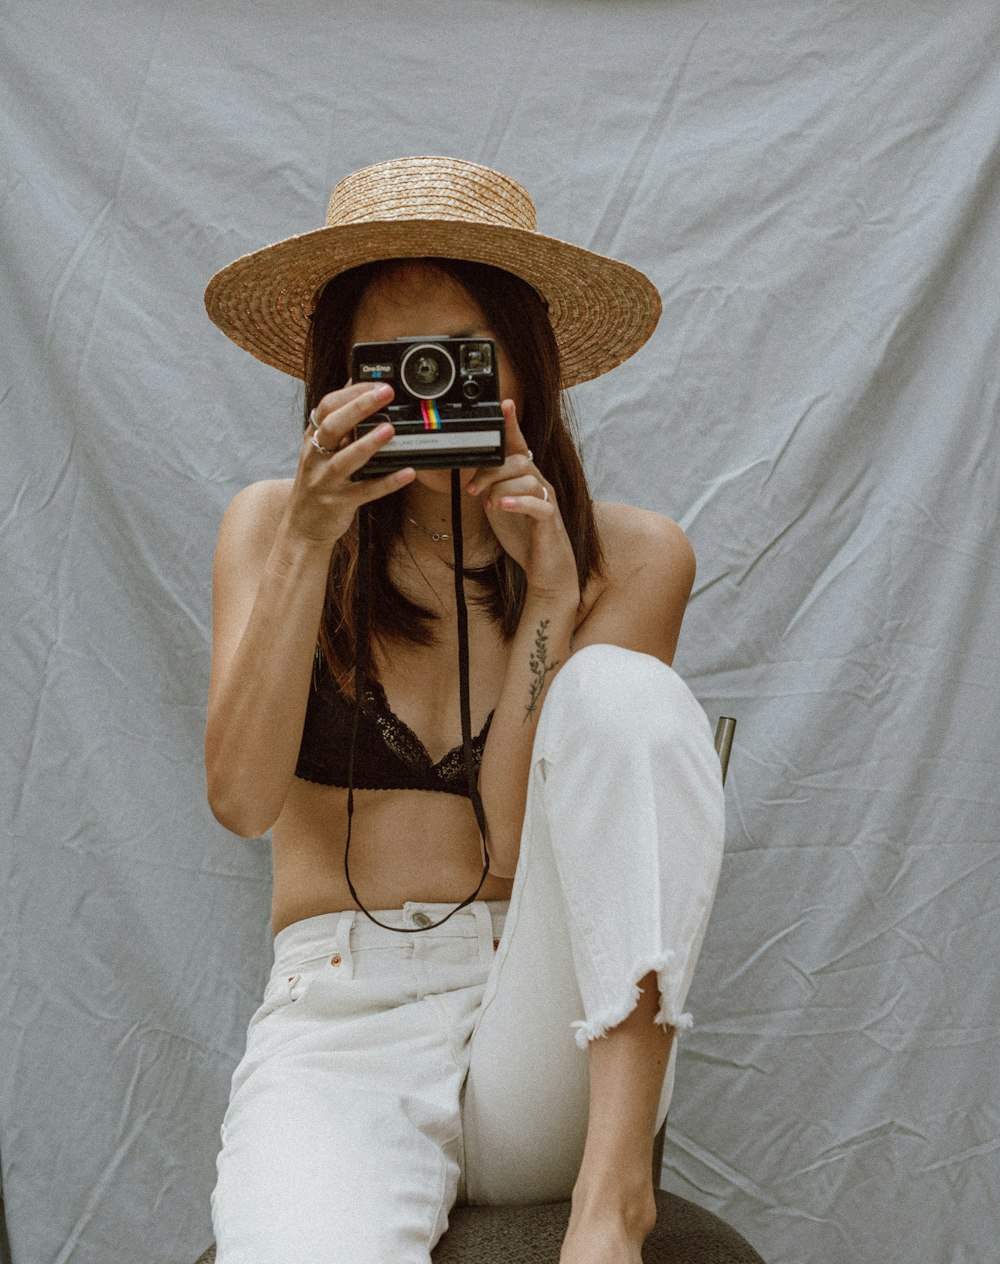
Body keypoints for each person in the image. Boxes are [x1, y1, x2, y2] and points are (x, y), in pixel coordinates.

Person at [203, 155, 725, 1264]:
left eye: (458, 362)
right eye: (387, 369)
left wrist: (548, 595)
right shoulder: (268, 529)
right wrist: (308, 538)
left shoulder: (628, 557)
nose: (425, 393)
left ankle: (611, 1205)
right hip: (342, 1016)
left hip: (541, 1016)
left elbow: (508, 850)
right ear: (334, 384)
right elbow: (242, 801)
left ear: (522, 373)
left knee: (625, 691)